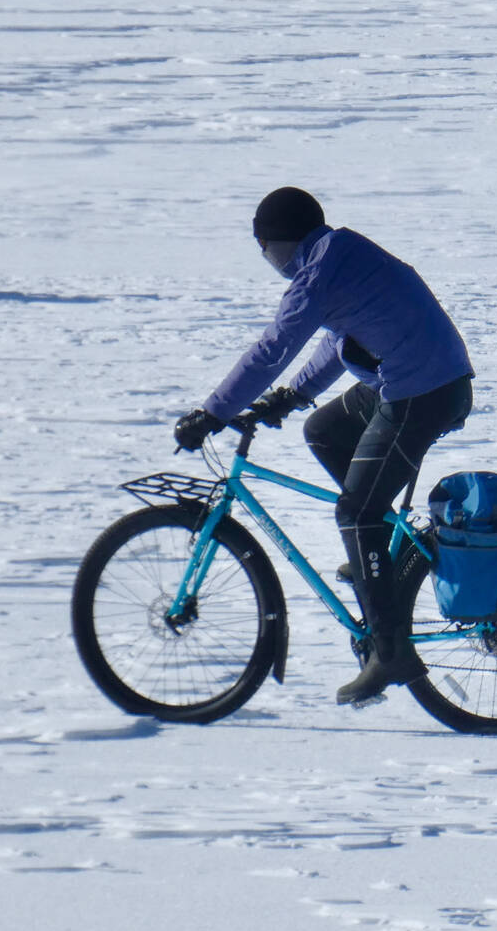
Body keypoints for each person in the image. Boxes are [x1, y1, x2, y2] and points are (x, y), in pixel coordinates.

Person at [172, 187, 475, 706]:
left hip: (422, 389)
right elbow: (339, 342)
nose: (265, 259)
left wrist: (214, 412)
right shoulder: (337, 255)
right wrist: (293, 397)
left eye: (262, 247)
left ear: (280, 243)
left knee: (356, 511)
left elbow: (274, 348)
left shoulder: (318, 272)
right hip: (415, 378)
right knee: (324, 431)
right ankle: (375, 554)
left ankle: (391, 650)